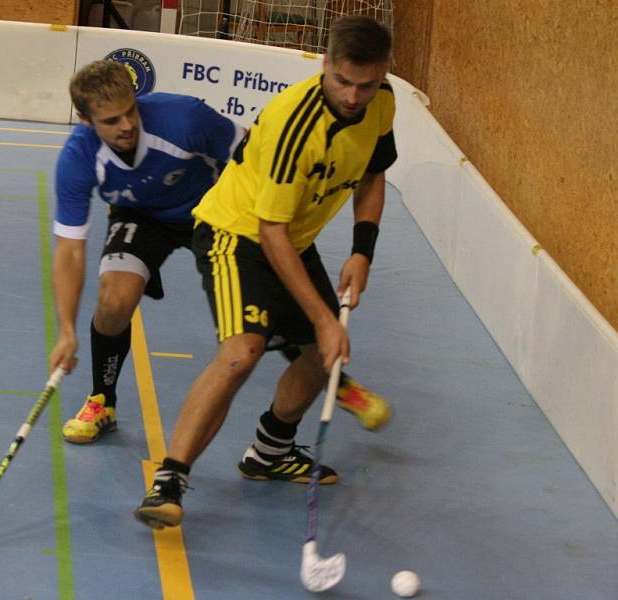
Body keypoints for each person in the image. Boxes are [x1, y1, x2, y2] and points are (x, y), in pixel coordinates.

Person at [135, 15, 397, 529]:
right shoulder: (291, 123)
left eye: (365, 85)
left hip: (291, 239)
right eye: (343, 81)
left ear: (383, 74)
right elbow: (269, 230)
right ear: (325, 66)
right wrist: (323, 320)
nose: (353, 96)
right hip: (237, 234)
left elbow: (372, 176)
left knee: (323, 361)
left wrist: (362, 250)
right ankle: (170, 479)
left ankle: (270, 452)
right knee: (242, 352)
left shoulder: (382, 101)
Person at [49, 59, 243, 443]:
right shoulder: (78, 159)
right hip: (142, 215)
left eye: (130, 111)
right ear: (84, 119)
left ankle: (332, 376)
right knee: (114, 300)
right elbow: (69, 250)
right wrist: (67, 331)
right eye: (110, 121)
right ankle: (102, 401)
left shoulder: (185, 118)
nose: (126, 126)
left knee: (254, 316)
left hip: (214, 210)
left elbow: (253, 152)